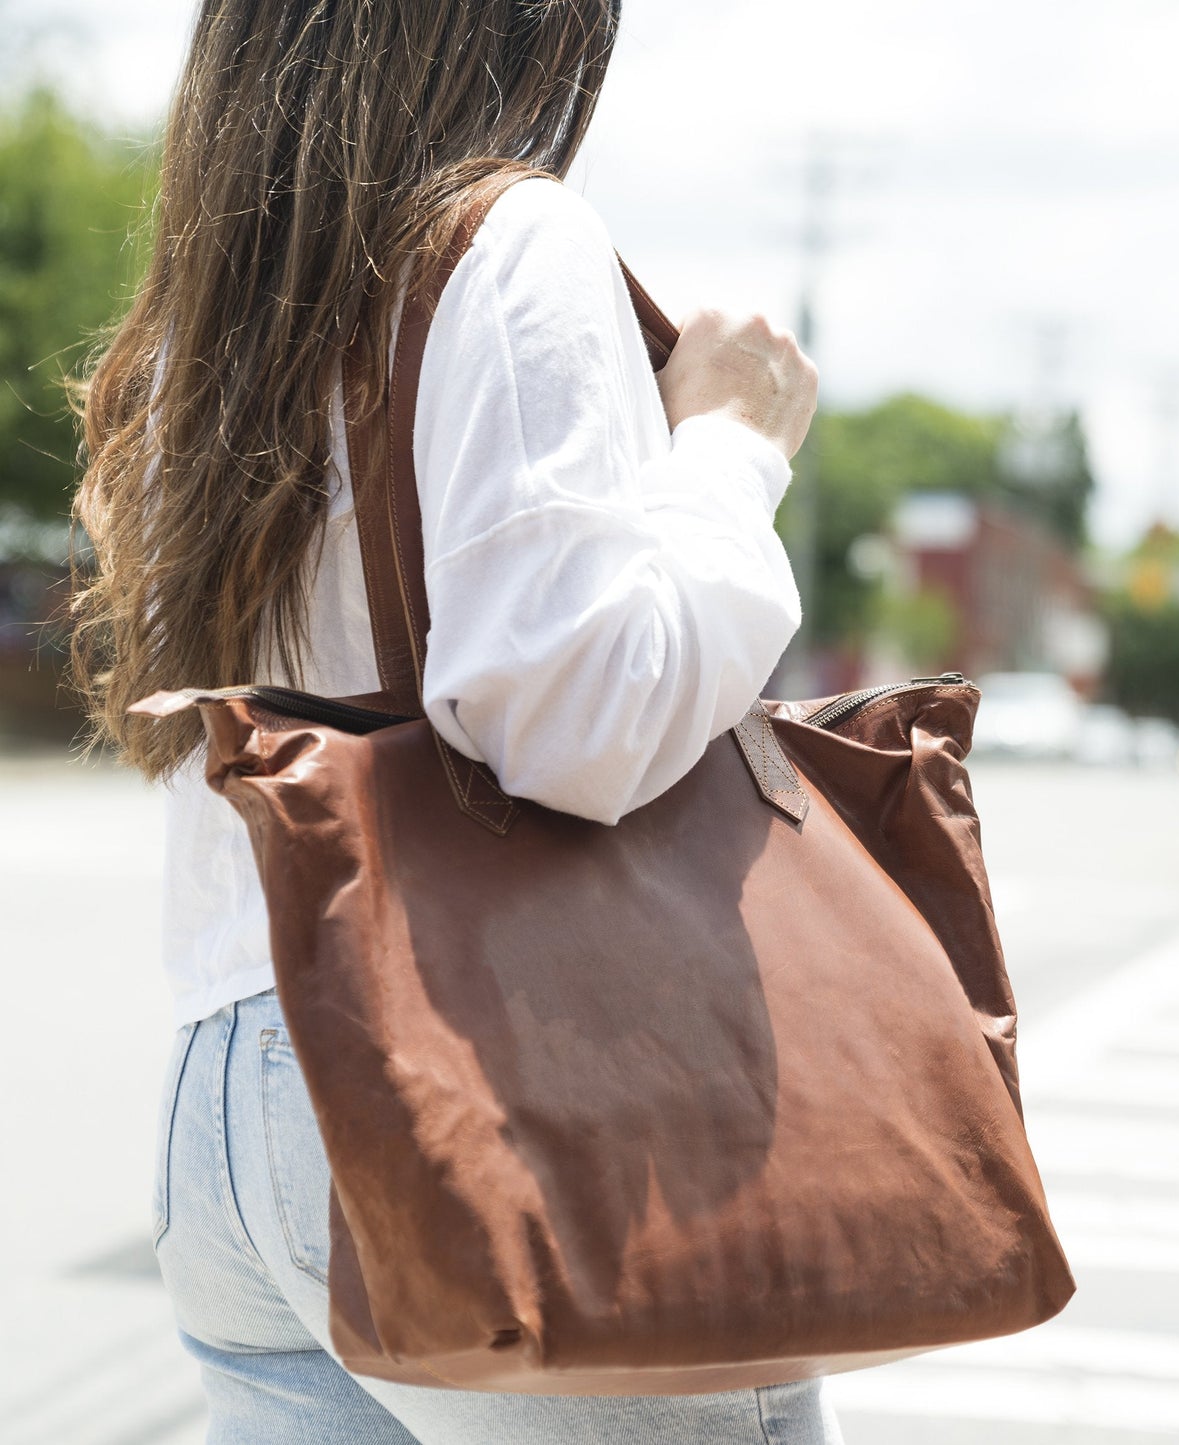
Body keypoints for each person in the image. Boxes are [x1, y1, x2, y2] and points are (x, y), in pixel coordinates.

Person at [70, 2, 830, 1440]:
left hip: (231, 1102)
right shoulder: (505, 241)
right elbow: (571, 715)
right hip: (459, 1084)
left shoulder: (207, 317)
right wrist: (728, 450)